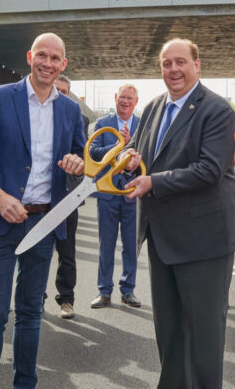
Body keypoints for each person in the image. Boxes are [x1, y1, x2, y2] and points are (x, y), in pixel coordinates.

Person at [0, 33, 86, 389]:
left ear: (63, 64)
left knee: (30, 314)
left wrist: (76, 165)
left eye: (55, 58)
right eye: (41, 55)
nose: (47, 63)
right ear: (29, 57)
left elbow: (80, 164)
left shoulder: (71, 110)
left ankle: (25, 383)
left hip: (44, 222)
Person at [120, 38, 235, 388]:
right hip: (162, 238)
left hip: (204, 240)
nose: (173, 70)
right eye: (166, 63)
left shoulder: (218, 110)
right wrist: (131, 160)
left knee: (204, 334)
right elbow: (139, 152)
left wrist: (152, 182)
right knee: (170, 333)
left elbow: (209, 169)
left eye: (180, 62)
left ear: (197, 65)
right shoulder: (154, 107)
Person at [89, 84, 142, 310]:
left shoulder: (143, 125)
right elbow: (94, 152)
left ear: (136, 102)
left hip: (131, 193)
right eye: (122, 97)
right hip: (108, 193)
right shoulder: (102, 124)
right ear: (115, 98)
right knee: (106, 244)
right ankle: (104, 291)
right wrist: (120, 145)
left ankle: (127, 290)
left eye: (130, 98)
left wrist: (134, 150)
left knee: (131, 245)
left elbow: (148, 154)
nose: (125, 101)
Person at [50, 74, 88, 320]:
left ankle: (66, 299)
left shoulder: (78, 117)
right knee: (32, 250)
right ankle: (34, 298)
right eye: (57, 90)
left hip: (65, 195)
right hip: (36, 198)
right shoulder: (33, 116)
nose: (61, 94)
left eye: (65, 91)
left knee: (66, 251)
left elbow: (82, 152)